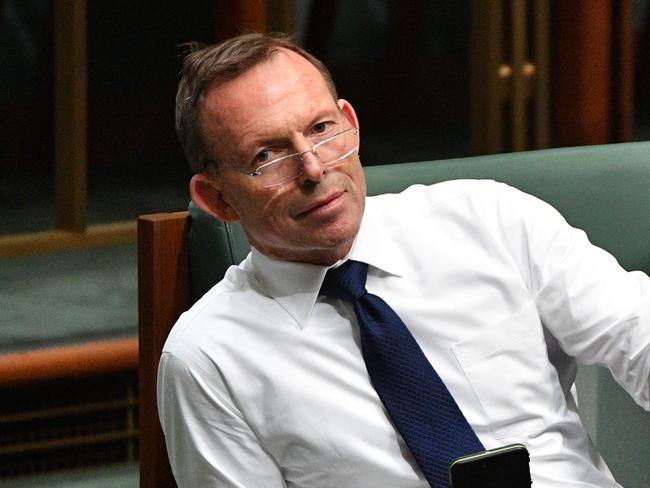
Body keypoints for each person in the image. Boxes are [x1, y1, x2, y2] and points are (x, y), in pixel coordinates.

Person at [158, 33, 650, 487]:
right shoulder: (207, 358)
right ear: (217, 199)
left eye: (322, 130)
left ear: (351, 124)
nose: (313, 168)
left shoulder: (488, 219)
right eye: (268, 156)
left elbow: (638, 334)